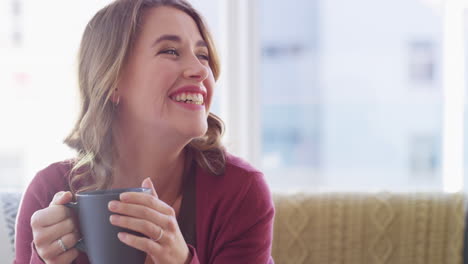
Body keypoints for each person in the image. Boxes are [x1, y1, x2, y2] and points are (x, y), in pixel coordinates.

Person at [13, 0, 275, 263]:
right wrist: (43, 260)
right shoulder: (49, 192)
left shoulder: (239, 191)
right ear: (112, 80)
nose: (199, 70)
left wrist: (182, 261)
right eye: (171, 51)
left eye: (203, 55)